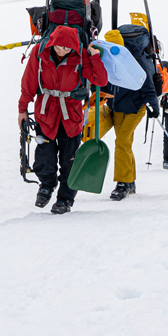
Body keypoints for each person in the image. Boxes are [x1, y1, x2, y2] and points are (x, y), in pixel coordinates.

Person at [19, 25, 108, 215]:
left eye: (67, 49)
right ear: (51, 43)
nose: (62, 52)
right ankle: (47, 185)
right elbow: (29, 82)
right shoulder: (40, 52)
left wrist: (94, 56)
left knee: (70, 160)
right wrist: (22, 109)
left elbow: (100, 80)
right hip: (46, 113)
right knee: (45, 156)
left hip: (72, 115)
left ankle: (65, 198)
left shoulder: (82, 56)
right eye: (59, 48)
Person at [95, 29, 160, 201]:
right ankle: (130, 182)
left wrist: (153, 105)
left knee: (122, 141)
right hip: (116, 108)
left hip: (136, 107)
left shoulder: (135, 62)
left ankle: (122, 183)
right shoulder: (106, 61)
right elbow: (103, 84)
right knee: (124, 144)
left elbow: (147, 87)